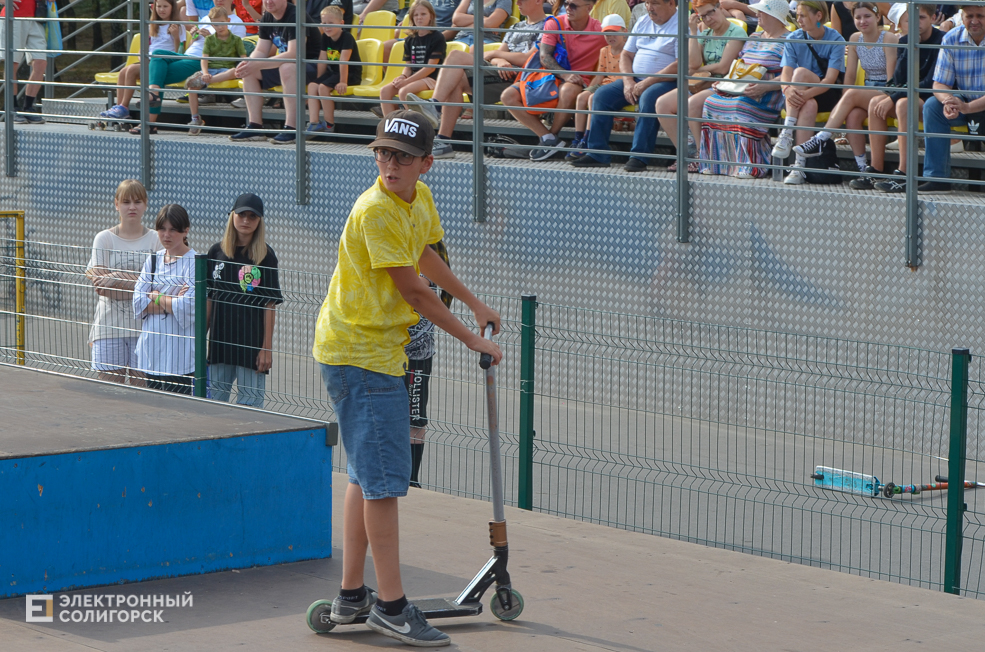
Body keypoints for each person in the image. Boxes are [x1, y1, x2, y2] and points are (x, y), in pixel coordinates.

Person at [312, 111, 501, 647]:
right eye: (383, 153)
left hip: (370, 351)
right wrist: (472, 340)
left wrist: (474, 302)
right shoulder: (375, 209)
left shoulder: (418, 201)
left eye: (402, 156)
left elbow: (424, 257)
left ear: (426, 165)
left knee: (364, 478)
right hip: (361, 355)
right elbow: (413, 290)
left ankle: (352, 595)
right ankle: (392, 608)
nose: (389, 164)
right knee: (385, 485)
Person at [420, 0, 548, 157]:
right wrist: (499, 60)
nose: (518, 3)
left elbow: (528, 59)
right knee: (456, 78)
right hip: (503, 73)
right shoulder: (516, 27)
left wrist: (495, 54)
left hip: (523, 78)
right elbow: (495, 57)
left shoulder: (548, 25)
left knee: (456, 56)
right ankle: (443, 140)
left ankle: (435, 106)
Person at [569, 0, 679, 171]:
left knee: (648, 97)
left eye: (655, 3)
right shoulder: (643, 21)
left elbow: (680, 63)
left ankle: (639, 157)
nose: (649, 7)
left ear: (671, 3)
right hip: (634, 79)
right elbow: (626, 55)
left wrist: (648, 81)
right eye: (647, 3)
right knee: (601, 96)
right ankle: (597, 153)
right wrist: (628, 81)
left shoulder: (680, 25)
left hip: (666, 81)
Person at [792, 3, 898, 177]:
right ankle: (863, 168)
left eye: (867, 16)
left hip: (887, 92)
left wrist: (850, 96)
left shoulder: (889, 38)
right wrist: (846, 103)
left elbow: (891, 80)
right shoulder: (855, 39)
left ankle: (821, 138)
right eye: (858, 17)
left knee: (853, 93)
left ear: (878, 17)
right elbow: (849, 76)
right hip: (867, 92)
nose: (862, 21)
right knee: (853, 116)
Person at [502, 0, 607, 161]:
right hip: (548, 76)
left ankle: (552, 137)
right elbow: (544, 56)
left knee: (569, 89)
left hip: (578, 81)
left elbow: (620, 46)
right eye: (566, 3)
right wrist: (564, 74)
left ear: (589, 8)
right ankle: (548, 138)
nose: (568, 8)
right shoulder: (555, 23)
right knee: (507, 96)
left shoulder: (600, 30)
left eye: (573, 5)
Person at [206, 193, 283, 409]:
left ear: (260, 221)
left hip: (251, 347)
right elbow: (209, 298)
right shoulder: (216, 252)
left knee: (249, 412)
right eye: (241, 215)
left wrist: (266, 348)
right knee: (213, 407)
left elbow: (269, 304)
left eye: (252, 216)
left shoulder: (265, 256)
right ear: (232, 215)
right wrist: (200, 340)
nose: (246, 221)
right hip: (220, 345)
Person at [698, 0, 790, 177]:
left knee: (739, 106)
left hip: (769, 94)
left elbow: (790, 74)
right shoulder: (755, 36)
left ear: (775, 16)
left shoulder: (789, 40)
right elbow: (739, 66)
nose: (757, 15)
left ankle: (751, 165)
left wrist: (765, 86)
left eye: (762, 12)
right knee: (710, 102)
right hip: (741, 88)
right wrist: (725, 82)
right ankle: (716, 163)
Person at [86, 180, 161, 386]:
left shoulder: (156, 239)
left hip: (145, 331)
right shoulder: (104, 239)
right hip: (109, 329)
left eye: (137, 201)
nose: (132, 207)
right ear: (116, 204)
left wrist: (115, 277)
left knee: (143, 395)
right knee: (110, 395)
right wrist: (143, 288)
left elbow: (160, 286)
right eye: (126, 202)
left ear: (145, 204)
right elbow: (101, 288)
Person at [656, 0, 745, 173]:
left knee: (692, 104)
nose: (708, 19)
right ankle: (687, 154)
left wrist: (698, 70)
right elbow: (693, 63)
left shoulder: (736, 31)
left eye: (711, 12)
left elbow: (723, 68)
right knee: (662, 104)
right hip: (703, 83)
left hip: (724, 84)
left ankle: (701, 156)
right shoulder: (706, 32)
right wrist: (693, 32)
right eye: (703, 16)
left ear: (720, 8)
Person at [769, 0, 846, 185]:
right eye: (797, 16)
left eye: (802, 15)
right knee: (808, 105)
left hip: (827, 93)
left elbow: (829, 81)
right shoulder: (794, 38)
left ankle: (787, 132)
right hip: (801, 94)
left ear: (818, 16)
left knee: (800, 73)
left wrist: (798, 94)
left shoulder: (836, 39)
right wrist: (787, 89)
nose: (799, 20)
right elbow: (785, 74)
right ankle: (799, 166)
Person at [868, 4, 943, 192]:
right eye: (911, 20)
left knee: (903, 104)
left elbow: (930, 83)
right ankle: (876, 170)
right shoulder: (905, 41)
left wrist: (894, 97)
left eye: (922, 18)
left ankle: (905, 173)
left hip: (933, 101)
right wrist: (910, 47)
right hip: (911, 97)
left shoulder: (942, 40)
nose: (916, 23)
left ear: (933, 18)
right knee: (875, 103)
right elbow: (899, 79)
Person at [230, 0, 321, 144]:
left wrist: (258, 63)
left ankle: (292, 128)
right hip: (289, 66)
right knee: (249, 70)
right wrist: (249, 63)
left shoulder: (296, 15)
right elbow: (261, 50)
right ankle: (255, 127)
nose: (268, 1)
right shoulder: (267, 16)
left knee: (287, 67)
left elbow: (295, 54)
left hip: (315, 65)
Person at [133, 205, 197, 395]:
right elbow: (137, 301)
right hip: (152, 350)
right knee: (154, 405)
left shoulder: (194, 262)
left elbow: (189, 305)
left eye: (173, 230)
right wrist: (173, 300)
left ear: (185, 231)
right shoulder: (153, 261)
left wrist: (156, 295)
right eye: (162, 229)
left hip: (179, 355)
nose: (166, 235)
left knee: (177, 406)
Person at [921, 4, 985, 192]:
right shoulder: (951, 38)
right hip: (966, 103)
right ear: (961, 17)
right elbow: (939, 84)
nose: (974, 21)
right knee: (933, 106)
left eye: (980, 15)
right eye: (969, 16)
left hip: (970, 105)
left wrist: (966, 107)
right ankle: (937, 179)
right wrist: (948, 101)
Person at [403, 240, 452, 488]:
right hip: (388, 351)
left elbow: (422, 284)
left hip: (418, 355)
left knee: (415, 417)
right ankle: (394, 473)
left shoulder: (430, 249)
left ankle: (412, 479)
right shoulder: (395, 244)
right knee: (387, 415)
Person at [99, 0, 185, 128]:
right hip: (148, 60)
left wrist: (176, 37)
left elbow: (180, 53)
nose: (161, 9)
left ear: (172, 8)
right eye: (159, 6)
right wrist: (142, 56)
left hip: (163, 63)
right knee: (123, 71)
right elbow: (144, 47)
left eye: (165, 6)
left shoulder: (178, 26)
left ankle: (124, 107)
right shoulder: (152, 25)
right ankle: (119, 108)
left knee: (131, 70)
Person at [566, 13, 629, 160]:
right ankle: (578, 139)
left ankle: (588, 139)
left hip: (618, 86)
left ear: (624, 32)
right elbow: (600, 76)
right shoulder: (604, 51)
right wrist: (588, 89)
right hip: (605, 84)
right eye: (607, 34)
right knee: (582, 97)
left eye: (614, 32)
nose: (610, 37)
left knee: (593, 98)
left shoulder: (628, 51)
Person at [185, 7, 249, 134]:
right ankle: (195, 118)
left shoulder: (236, 40)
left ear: (228, 21)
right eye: (215, 24)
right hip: (211, 69)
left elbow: (243, 57)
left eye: (222, 23)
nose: (219, 27)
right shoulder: (209, 39)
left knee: (234, 71)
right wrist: (205, 72)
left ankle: (208, 81)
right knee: (191, 87)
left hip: (227, 69)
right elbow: (204, 59)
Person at [376, 0, 446, 117]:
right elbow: (408, 66)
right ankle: (391, 123)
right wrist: (402, 77)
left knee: (404, 92)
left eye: (423, 14)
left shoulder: (437, 37)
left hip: (431, 79)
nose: (419, 17)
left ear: (431, 16)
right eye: (416, 15)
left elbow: (430, 68)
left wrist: (407, 81)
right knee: (385, 91)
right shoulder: (410, 39)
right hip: (414, 77)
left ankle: (416, 122)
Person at [306, 5, 362, 137]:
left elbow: (344, 61)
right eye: (324, 23)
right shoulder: (325, 38)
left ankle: (329, 124)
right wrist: (319, 79)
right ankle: (314, 122)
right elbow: (322, 59)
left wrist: (343, 81)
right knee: (313, 86)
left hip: (350, 74)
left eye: (331, 23)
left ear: (341, 23)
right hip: (334, 73)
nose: (327, 27)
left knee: (323, 88)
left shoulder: (347, 37)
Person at [0, 0, 47, 123]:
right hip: (13, 17)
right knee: (12, 64)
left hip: (36, 16)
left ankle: (28, 108)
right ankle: (12, 108)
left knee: (41, 63)